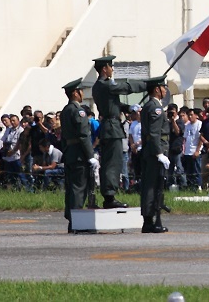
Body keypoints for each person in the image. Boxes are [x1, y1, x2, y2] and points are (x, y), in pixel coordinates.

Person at [90, 55, 148, 208]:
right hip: (112, 128)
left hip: (110, 126)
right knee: (113, 163)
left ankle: (109, 195)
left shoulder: (100, 86)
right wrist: (146, 85)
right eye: (110, 67)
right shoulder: (105, 85)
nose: (112, 69)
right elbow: (125, 88)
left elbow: (114, 103)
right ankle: (109, 197)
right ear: (104, 69)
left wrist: (128, 108)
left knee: (111, 162)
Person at [59, 78, 97, 233]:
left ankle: (72, 221)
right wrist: (90, 155)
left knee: (72, 188)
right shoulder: (78, 110)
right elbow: (83, 135)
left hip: (70, 153)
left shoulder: (65, 110)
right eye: (81, 91)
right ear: (75, 93)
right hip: (79, 155)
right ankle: (78, 223)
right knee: (79, 188)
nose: (82, 93)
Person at [139, 77, 170, 233]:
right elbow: (154, 133)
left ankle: (149, 220)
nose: (165, 90)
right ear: (157, 89)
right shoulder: (155, 108)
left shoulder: (149, 106)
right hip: (155, 151)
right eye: (164, 87)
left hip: (151, 151)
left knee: (151, 185)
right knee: (153, 186)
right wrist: (159, 153)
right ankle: (151, 220)